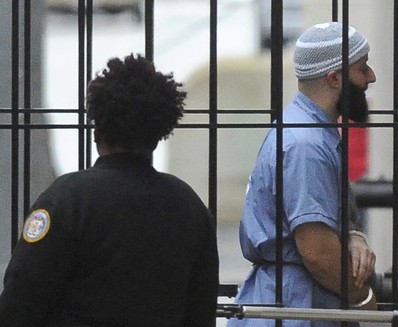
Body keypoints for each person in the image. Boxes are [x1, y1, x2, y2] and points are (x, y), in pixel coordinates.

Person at [0, 54, 219, 326]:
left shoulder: (66, 200)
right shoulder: (190, 208)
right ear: (159, 134)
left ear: (96, 131)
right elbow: (200, 311)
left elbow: (20, 301)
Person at [228, 22, 377, 327]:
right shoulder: (306, 144)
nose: (371, 77)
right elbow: (317, 252)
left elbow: (329, 214)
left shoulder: (306, 130)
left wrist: (353, 236)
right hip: (297, 309)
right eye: (362, 69)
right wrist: (363, 299)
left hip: (289, 301)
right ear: (334, 78)